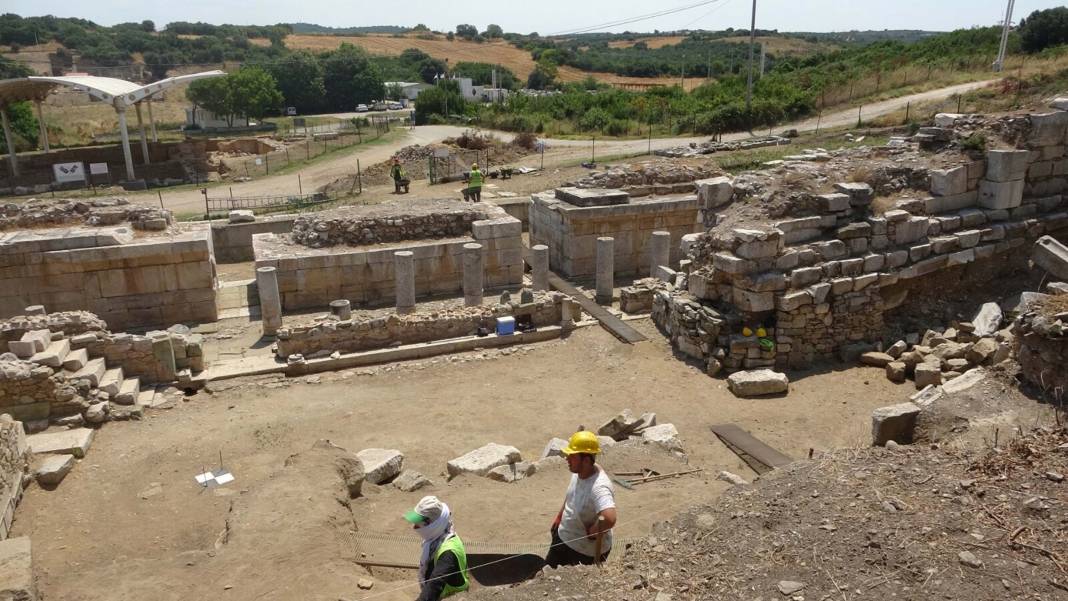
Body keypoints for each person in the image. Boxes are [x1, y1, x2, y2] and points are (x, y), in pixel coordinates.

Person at [545, 430, 617, 567]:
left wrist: (593, 532)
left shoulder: (599, 486)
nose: (567, 458)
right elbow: (571, 495)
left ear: (586, 459)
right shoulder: (580, 471)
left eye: (572, 456)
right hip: (563, 539)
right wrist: (560, 517)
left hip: (582, 553)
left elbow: (609, 518)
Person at [405, 495, 469, 601]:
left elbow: (434, 586)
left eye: (418, 524)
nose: (414, 527)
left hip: (451, 596)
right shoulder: (439, 536)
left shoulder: (448, 553)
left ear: (433, 525)